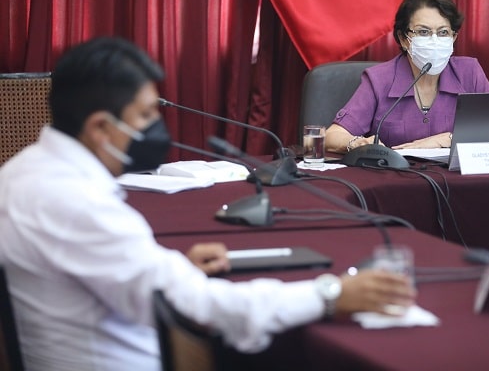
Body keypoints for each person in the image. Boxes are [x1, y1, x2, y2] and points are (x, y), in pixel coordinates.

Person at [0, 37, 416, 371]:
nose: (156, 127)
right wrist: (330, 293)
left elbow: (105, 269)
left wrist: (170, 266)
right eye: (144, 116)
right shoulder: (78, 204)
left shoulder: (22, 173)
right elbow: (203, 307)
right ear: (100, 128)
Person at [325, 0, 489, 153]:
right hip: (394, 172)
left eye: (443, 32)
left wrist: (447, 139)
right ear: (403, 39)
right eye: (423, 32)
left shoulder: (469, 73)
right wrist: (358, 143)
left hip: (454, 174)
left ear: (454, 37)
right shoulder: (379, 80)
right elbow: (332, 136)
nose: (434, 40)